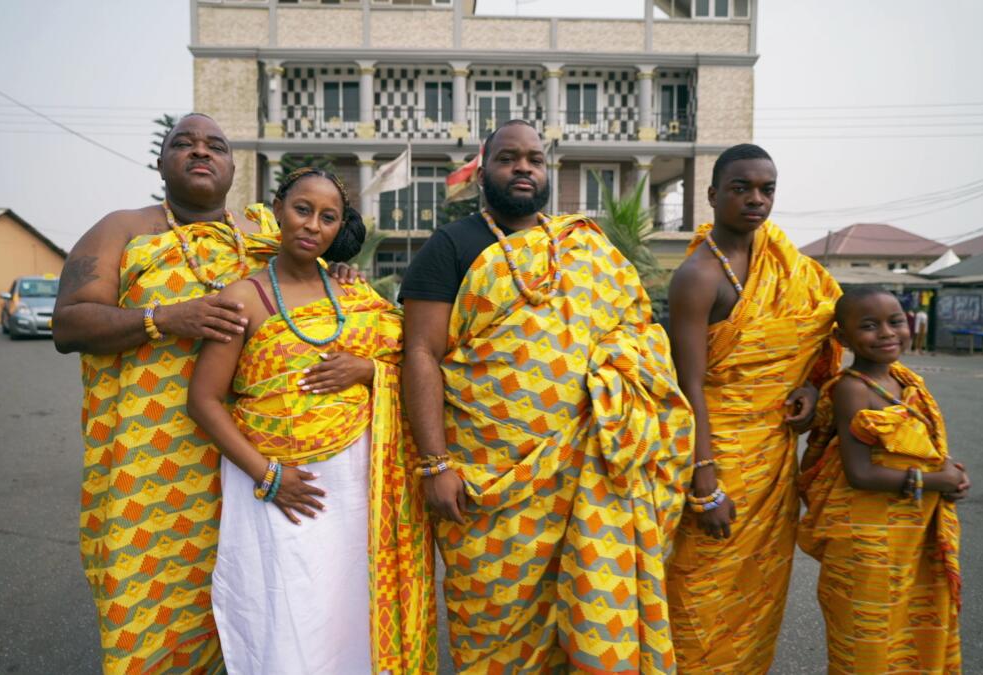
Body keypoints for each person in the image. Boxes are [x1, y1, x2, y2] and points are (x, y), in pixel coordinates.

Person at [52, 114, 361, 674]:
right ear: (161, 160)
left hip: (247, 460)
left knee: (257, 603)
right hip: (150, 465)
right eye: (184, 143)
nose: (201, 152)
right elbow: (68, 325)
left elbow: (302, 282)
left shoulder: (266, 231)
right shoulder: (122, 228)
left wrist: (334, 272)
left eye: (215, 145)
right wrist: (166, 317)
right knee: (148, 605)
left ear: (233, 166)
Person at [401, 120, 694, 672]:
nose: (523, 168)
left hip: (591, 468)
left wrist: (618, 381)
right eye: (509, 158)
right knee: (493, 627)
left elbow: (635, 333)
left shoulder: (586, 248)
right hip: (491, 480)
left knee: (588, 610)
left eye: (534, 159)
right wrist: (435, 462)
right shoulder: (451, 246)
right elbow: (420, 354)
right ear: (483, 168)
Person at [187, 168, 436, 674]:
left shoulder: (353, 293)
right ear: (277, 209)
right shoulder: (242, 298)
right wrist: (269, 476)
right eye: (302, 210)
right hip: (276, 483)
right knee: (287, 609)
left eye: (328, 218)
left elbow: (408, 358)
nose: (312, 226)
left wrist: (368, 370)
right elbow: (204, 401)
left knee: (349, 607)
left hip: (358, 488)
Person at [664, 143, 842, 673]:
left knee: (757, 597)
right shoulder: (698, 275)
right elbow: (687, 386)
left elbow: (828, 329)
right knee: (699, 590)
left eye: (766, 190)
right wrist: (704, 483)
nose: (755, 200)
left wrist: (812, 387)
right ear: (714, 194)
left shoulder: (785, 264)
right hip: (717, 454)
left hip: (773, 457)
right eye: (741, 188)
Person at [798, 287, 968, 673]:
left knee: (909, 632)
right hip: (867, 543)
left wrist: (951, 475)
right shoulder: (854, 389)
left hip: (911, 537)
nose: (888, 333)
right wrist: (934, 481)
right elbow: (860, 473)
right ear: (843, 339)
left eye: (895, 322)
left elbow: (922, 450)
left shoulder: (905, 382)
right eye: (870, 326)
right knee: (867, 643)